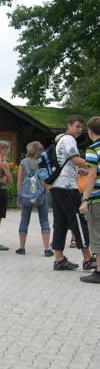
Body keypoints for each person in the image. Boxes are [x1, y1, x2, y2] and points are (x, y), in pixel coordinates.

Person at [50, 115, 96, 271]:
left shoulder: (60, 140)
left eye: (81, 127)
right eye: (77, 126)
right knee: (78, 219)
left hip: (57, 185)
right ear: (68, 125)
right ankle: (88, 258)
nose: (80, 129)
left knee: (60, 222)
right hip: (67, 187)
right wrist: (92, 165)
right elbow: (75, 159)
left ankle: (59, 258)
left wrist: (81, 170)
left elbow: (70, 162)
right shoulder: (69, 140)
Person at [15, 141, 52, 256]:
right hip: (41, 194)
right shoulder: (43, 162)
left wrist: (19, 196)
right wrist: (48, 190)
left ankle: (21, 247)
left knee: (24, 220)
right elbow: (47, 180)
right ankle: (46, 248)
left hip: (27, 195)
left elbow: (19, 182)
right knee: (44, 220)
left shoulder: (23, 162)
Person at [80, 116, 100, 283]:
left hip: (97, 198)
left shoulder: (93, 149)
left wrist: (85, 199)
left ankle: (99, 271)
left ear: (91, 131)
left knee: (97, 234)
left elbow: (93, 174)